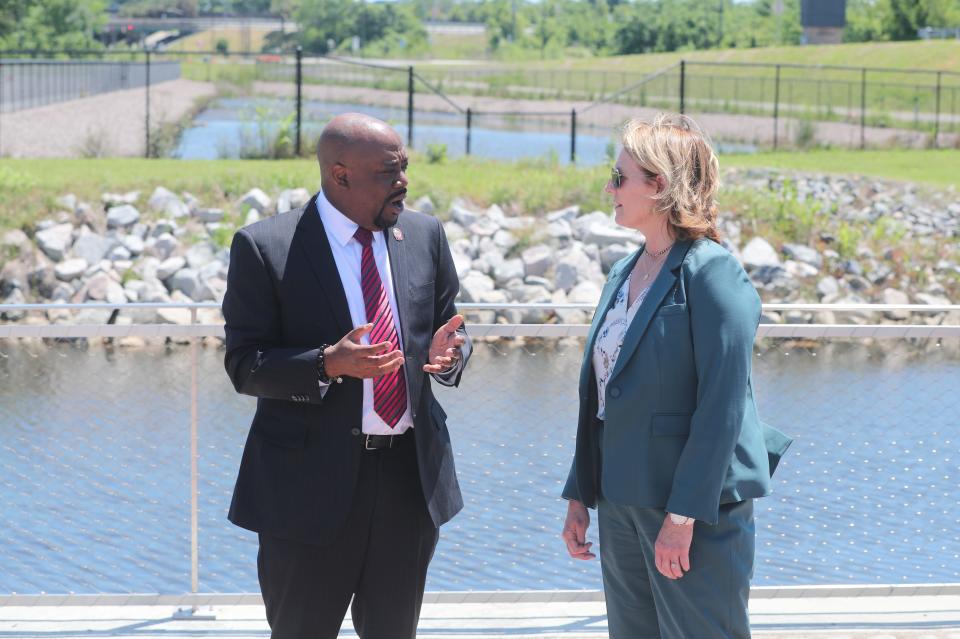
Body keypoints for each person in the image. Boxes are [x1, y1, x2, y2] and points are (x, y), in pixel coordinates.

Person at [222, 113, 471, 639]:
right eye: (388, 171)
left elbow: (449, 330)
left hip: (408, 484)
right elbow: (245, 365)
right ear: (340, 175)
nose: (403, 181)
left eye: (404, 167)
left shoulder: (424, 235)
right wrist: (325, 364)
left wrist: (451, 356)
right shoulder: (267, 247)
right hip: (306, 493)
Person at [560, 113, 792, 639]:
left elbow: (722, 407)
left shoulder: (713, 272)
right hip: (621, 500)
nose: (609, 187)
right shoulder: (625, 270)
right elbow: (600, 394)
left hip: (691, 511)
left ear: (659, 185)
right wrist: (581, 493)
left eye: (620, 178)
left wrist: (682, 517)